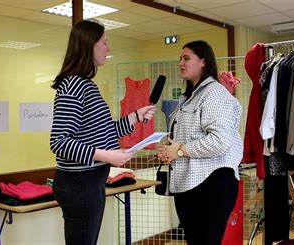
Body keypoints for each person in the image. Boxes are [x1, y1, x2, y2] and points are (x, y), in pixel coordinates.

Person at [50, 19, 156, 245]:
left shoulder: (86, 84)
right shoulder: (73, 85)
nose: (109, 49)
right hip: (79, 182)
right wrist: (108, 155)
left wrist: (135, 116)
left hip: (89, 181)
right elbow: (59, 142)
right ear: (89, 45)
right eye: (105, 43)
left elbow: (105, 132)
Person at [157, 40, 243, 245]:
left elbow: (219, 140)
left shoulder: (215, 93)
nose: (181, 63)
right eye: (180, 58)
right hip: (190, 183)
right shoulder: (188, 97)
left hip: (212, 183)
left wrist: (179, 151)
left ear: (203, 62)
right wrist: (168, 149)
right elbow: (184, 135)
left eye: (187, 58)